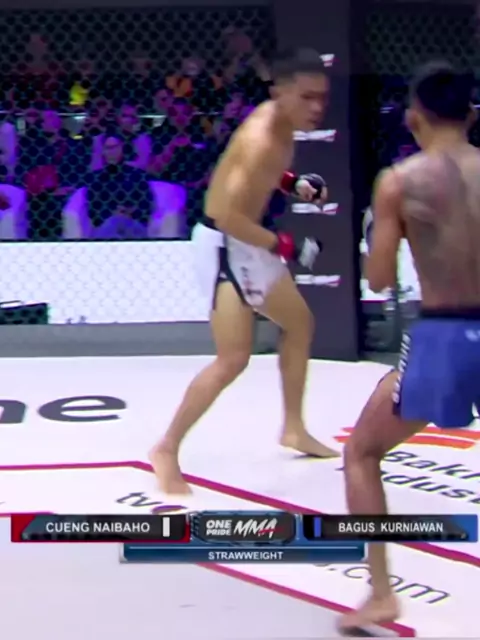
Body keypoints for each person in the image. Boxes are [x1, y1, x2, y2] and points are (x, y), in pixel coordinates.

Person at [149, 48, 339, 495]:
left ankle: (293, 428)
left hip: (247, 242)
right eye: (307, 97)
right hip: (224, 246)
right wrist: (285, 246)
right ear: (281, 92)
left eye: (322, 97)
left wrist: (293, 183)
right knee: (233, 358)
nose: (317, 107)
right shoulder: (261, 137)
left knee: (299, 324)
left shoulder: (280, 121)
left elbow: (258, 173)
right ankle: (166, 448)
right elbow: (225, 213)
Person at [340, 61, 480, 631]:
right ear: (471, 114)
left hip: (444, 334)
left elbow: (377, 279)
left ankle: (381, 594)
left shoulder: (400, 180)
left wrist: (384, 232)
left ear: (413, 117)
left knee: (362, 452)